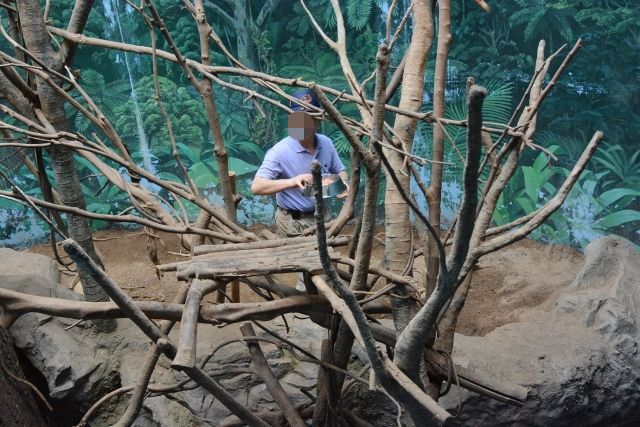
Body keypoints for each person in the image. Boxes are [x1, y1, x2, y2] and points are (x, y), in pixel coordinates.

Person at [251, 89, 348, 289]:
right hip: (294, 221)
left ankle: (326, 309)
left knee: (327, 266)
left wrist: (343, 184)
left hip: (323, 216)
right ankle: (307, 313)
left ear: (317, 119)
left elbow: (340, 170)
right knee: (310, 273)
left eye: (309, 118)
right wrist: (292, 181)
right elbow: (257, 186)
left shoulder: (326, 143)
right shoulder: (279, 151)